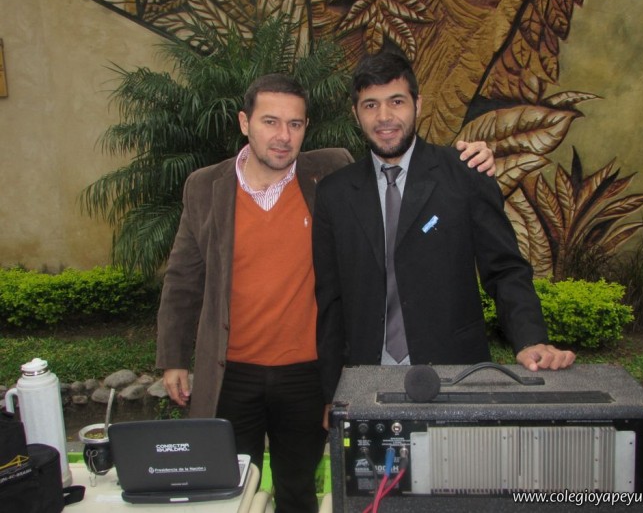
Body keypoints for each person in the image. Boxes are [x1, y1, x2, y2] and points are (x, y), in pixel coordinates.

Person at [156, 73, 496, 513]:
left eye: (295, 124)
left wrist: (472, 156)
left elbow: (400, 159)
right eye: (270, 122)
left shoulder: (331, 172)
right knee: (227, 492)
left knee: (299, 492)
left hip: (306, 375)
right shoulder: (206, 187)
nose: (283, 136)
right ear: (244, 122)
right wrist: (173, 358)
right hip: (230, 373)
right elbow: (183, 278)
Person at [312, 50, 576, 411]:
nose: (384, 117)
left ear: (418, 105)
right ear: (356, 114)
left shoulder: (465, 174)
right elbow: (330, 303)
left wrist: (530, 339)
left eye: (396, 101)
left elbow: (505, 269)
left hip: (455, 371)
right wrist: (332, 394)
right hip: (364, 380)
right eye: (370, 105)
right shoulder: (334, 194)